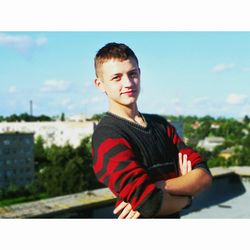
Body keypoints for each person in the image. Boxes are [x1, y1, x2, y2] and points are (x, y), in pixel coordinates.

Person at [91, 42, 212, 219]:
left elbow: (204, 176)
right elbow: (150, 203)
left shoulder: (160, 125)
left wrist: (157, 186)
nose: (128, 83)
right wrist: (188, 197)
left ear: (139, 73)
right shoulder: (107, 135)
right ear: (100, 84)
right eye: (116, 77)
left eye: (132, 74)